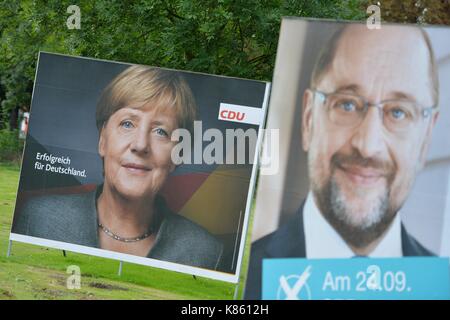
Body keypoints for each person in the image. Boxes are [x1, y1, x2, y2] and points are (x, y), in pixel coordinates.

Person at [245, 23, 440, 299]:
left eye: (398, 112)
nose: (368, 146)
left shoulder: (438, 286)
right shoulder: (244, 274)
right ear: (309, 118)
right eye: (347, 104)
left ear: (426, 136)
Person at [13, 65, 223, 270]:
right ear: (103, 139)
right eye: (127, 124)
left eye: (161, 131)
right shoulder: (39, 218)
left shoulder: (206, 253)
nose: (140, 145)